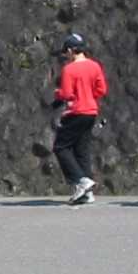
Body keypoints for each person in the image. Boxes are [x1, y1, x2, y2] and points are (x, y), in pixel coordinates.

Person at [51, 32, 109, 204]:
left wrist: (57, 93)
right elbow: (102, 90)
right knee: (81, 150)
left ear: (70, 50)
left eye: (66, 52)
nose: (65, 56)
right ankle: (87, 192)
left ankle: (80, 181)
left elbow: (67, 94)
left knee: (60, 147)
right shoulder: (95, 66)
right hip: (91, 111)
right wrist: (88, 95)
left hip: (76, 111)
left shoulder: (69, 69)